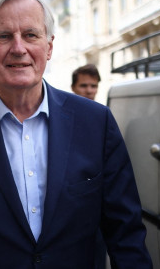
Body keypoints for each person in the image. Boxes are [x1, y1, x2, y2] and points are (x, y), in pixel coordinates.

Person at [0, 0, 152, 268]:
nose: (18, 48)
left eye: (31, 35)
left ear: (49, 47)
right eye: (4, 36)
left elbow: (125, 232)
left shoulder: (96, 122)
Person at [72, 64, 106, 269]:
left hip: (97, 211)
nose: (89, 90)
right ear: (73, 87)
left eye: (93, 86)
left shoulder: (103, 117)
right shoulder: (60, 116)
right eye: (84, 85)